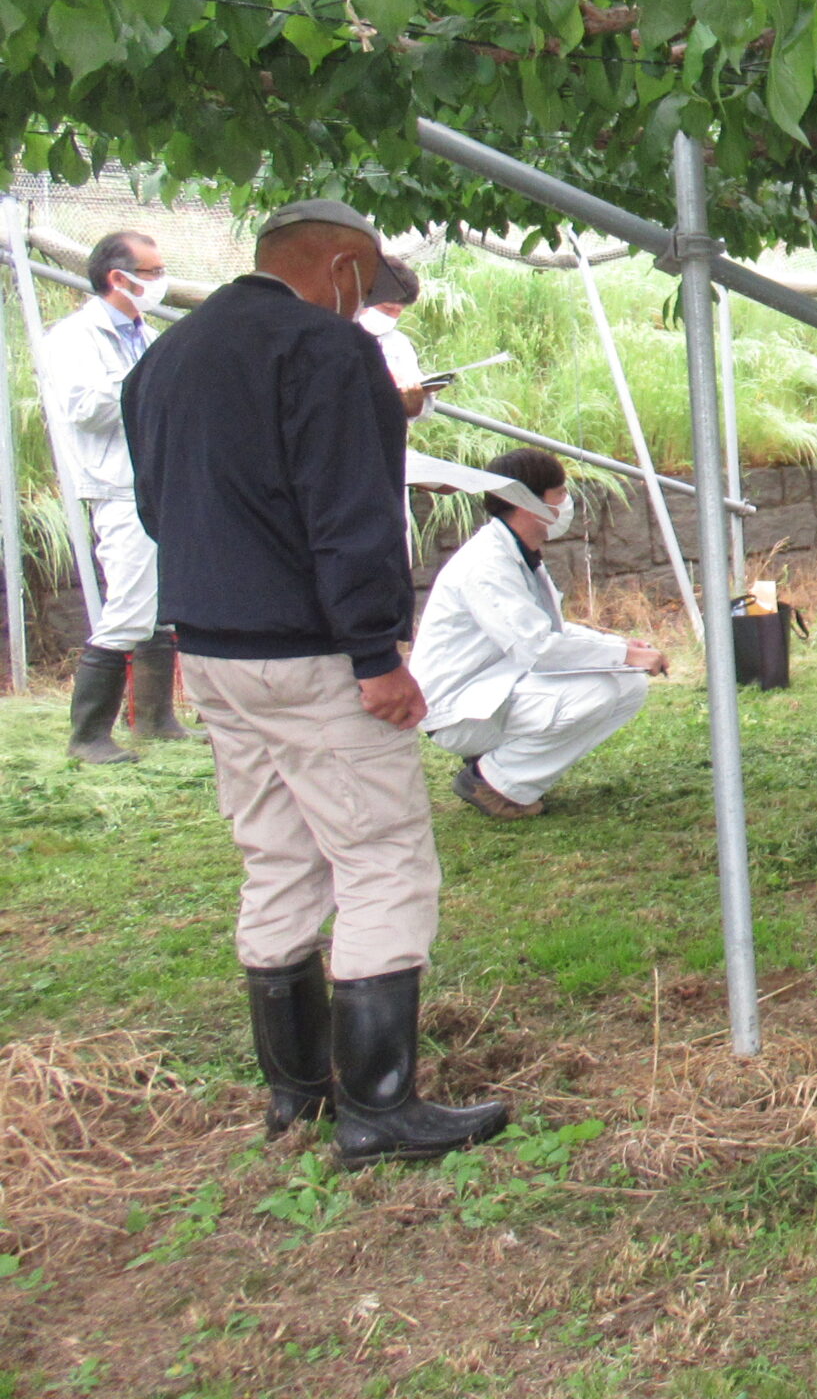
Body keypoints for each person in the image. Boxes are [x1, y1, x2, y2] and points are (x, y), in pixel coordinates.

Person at [123, 198, 508, 1166]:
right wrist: (377, 655)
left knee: (278, 853)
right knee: (381, 858)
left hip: (211, 647)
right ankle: (380, 1107)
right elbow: (354, 516)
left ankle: (297, 1093)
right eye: (364, 288)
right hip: (310, 651)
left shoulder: (166, 355)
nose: (364, 308)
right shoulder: (328, 353)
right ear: (340, 266)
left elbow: (156, 506)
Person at [411, 446, 666, 821]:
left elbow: (549, 630)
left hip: (494, 687)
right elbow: (540, 649)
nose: (567, 503)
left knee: (629, 686)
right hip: (458, 710)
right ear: (526, 501)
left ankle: (507, 770)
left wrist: (619, 648)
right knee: (599, 691)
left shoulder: (515, 551)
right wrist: (624, 655)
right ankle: (493, 782)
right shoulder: (487, 564)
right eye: (560, 494)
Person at [41, 229, 199, 763]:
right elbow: (85, 409)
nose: (161, 281)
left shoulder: (142, 333)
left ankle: (155, 720)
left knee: (159, 606)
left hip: (156, 479)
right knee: (129, 607)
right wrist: (151, 381)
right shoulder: (72, 338)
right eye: (153, 273)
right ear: (118, 278)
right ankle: (88, 736)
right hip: (116, 484)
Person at [357, 253, 432, 420]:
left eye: (398, 312)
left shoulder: (399, 345)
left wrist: (414, 401)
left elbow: (422, 409)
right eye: (387, 308)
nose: (391, 316)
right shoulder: (337, 333)